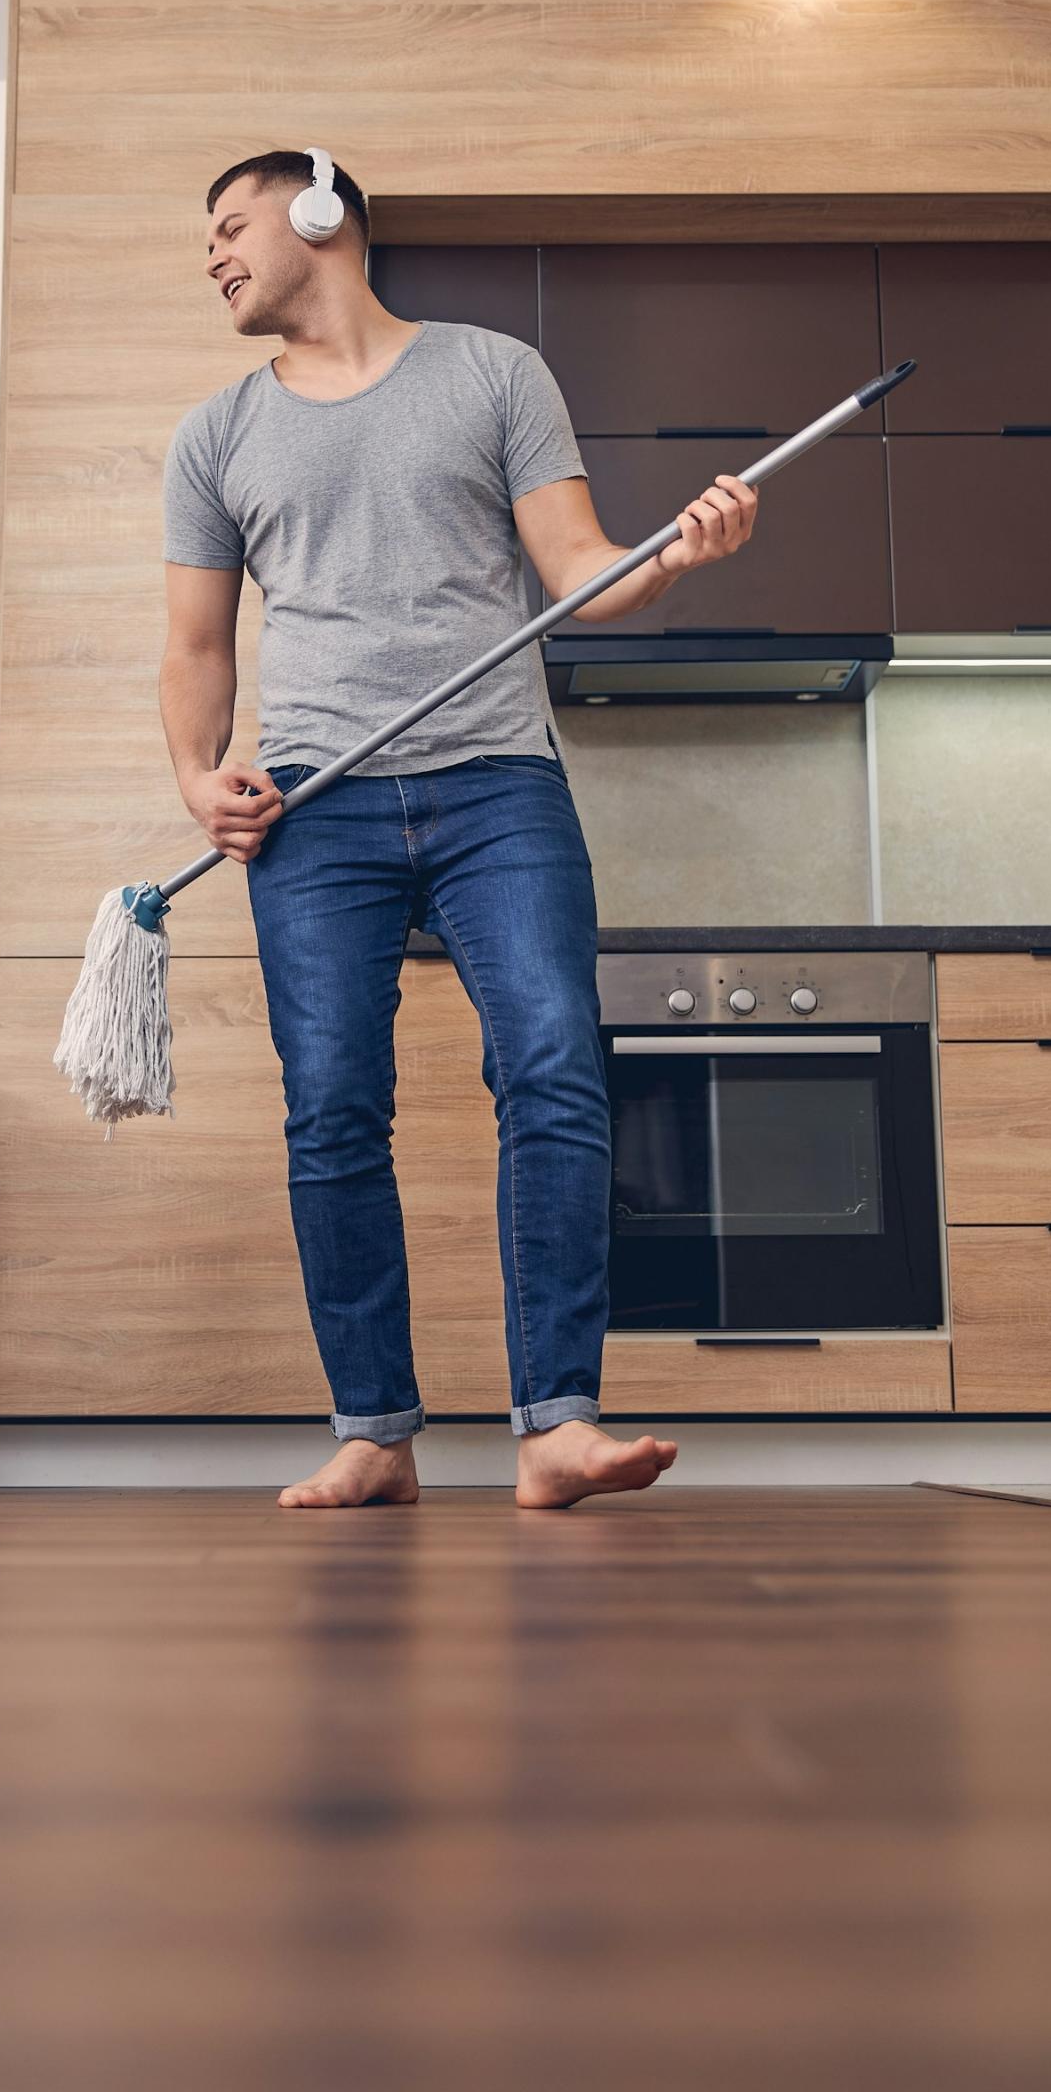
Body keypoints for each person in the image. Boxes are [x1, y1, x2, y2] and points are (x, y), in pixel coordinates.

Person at [159, 150, 758, 1509]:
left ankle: (554, 1429)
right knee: (332, 1110)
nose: (213, 256)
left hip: (498, 782)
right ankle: (375, 1432)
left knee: (551, 1070)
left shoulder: (493, 374)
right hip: (315, 810)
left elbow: (576, 570)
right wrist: (199, 776)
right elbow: (194, 647)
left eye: (229, 226)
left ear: (322, 215)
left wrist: (679, 553)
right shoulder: (218, 436)